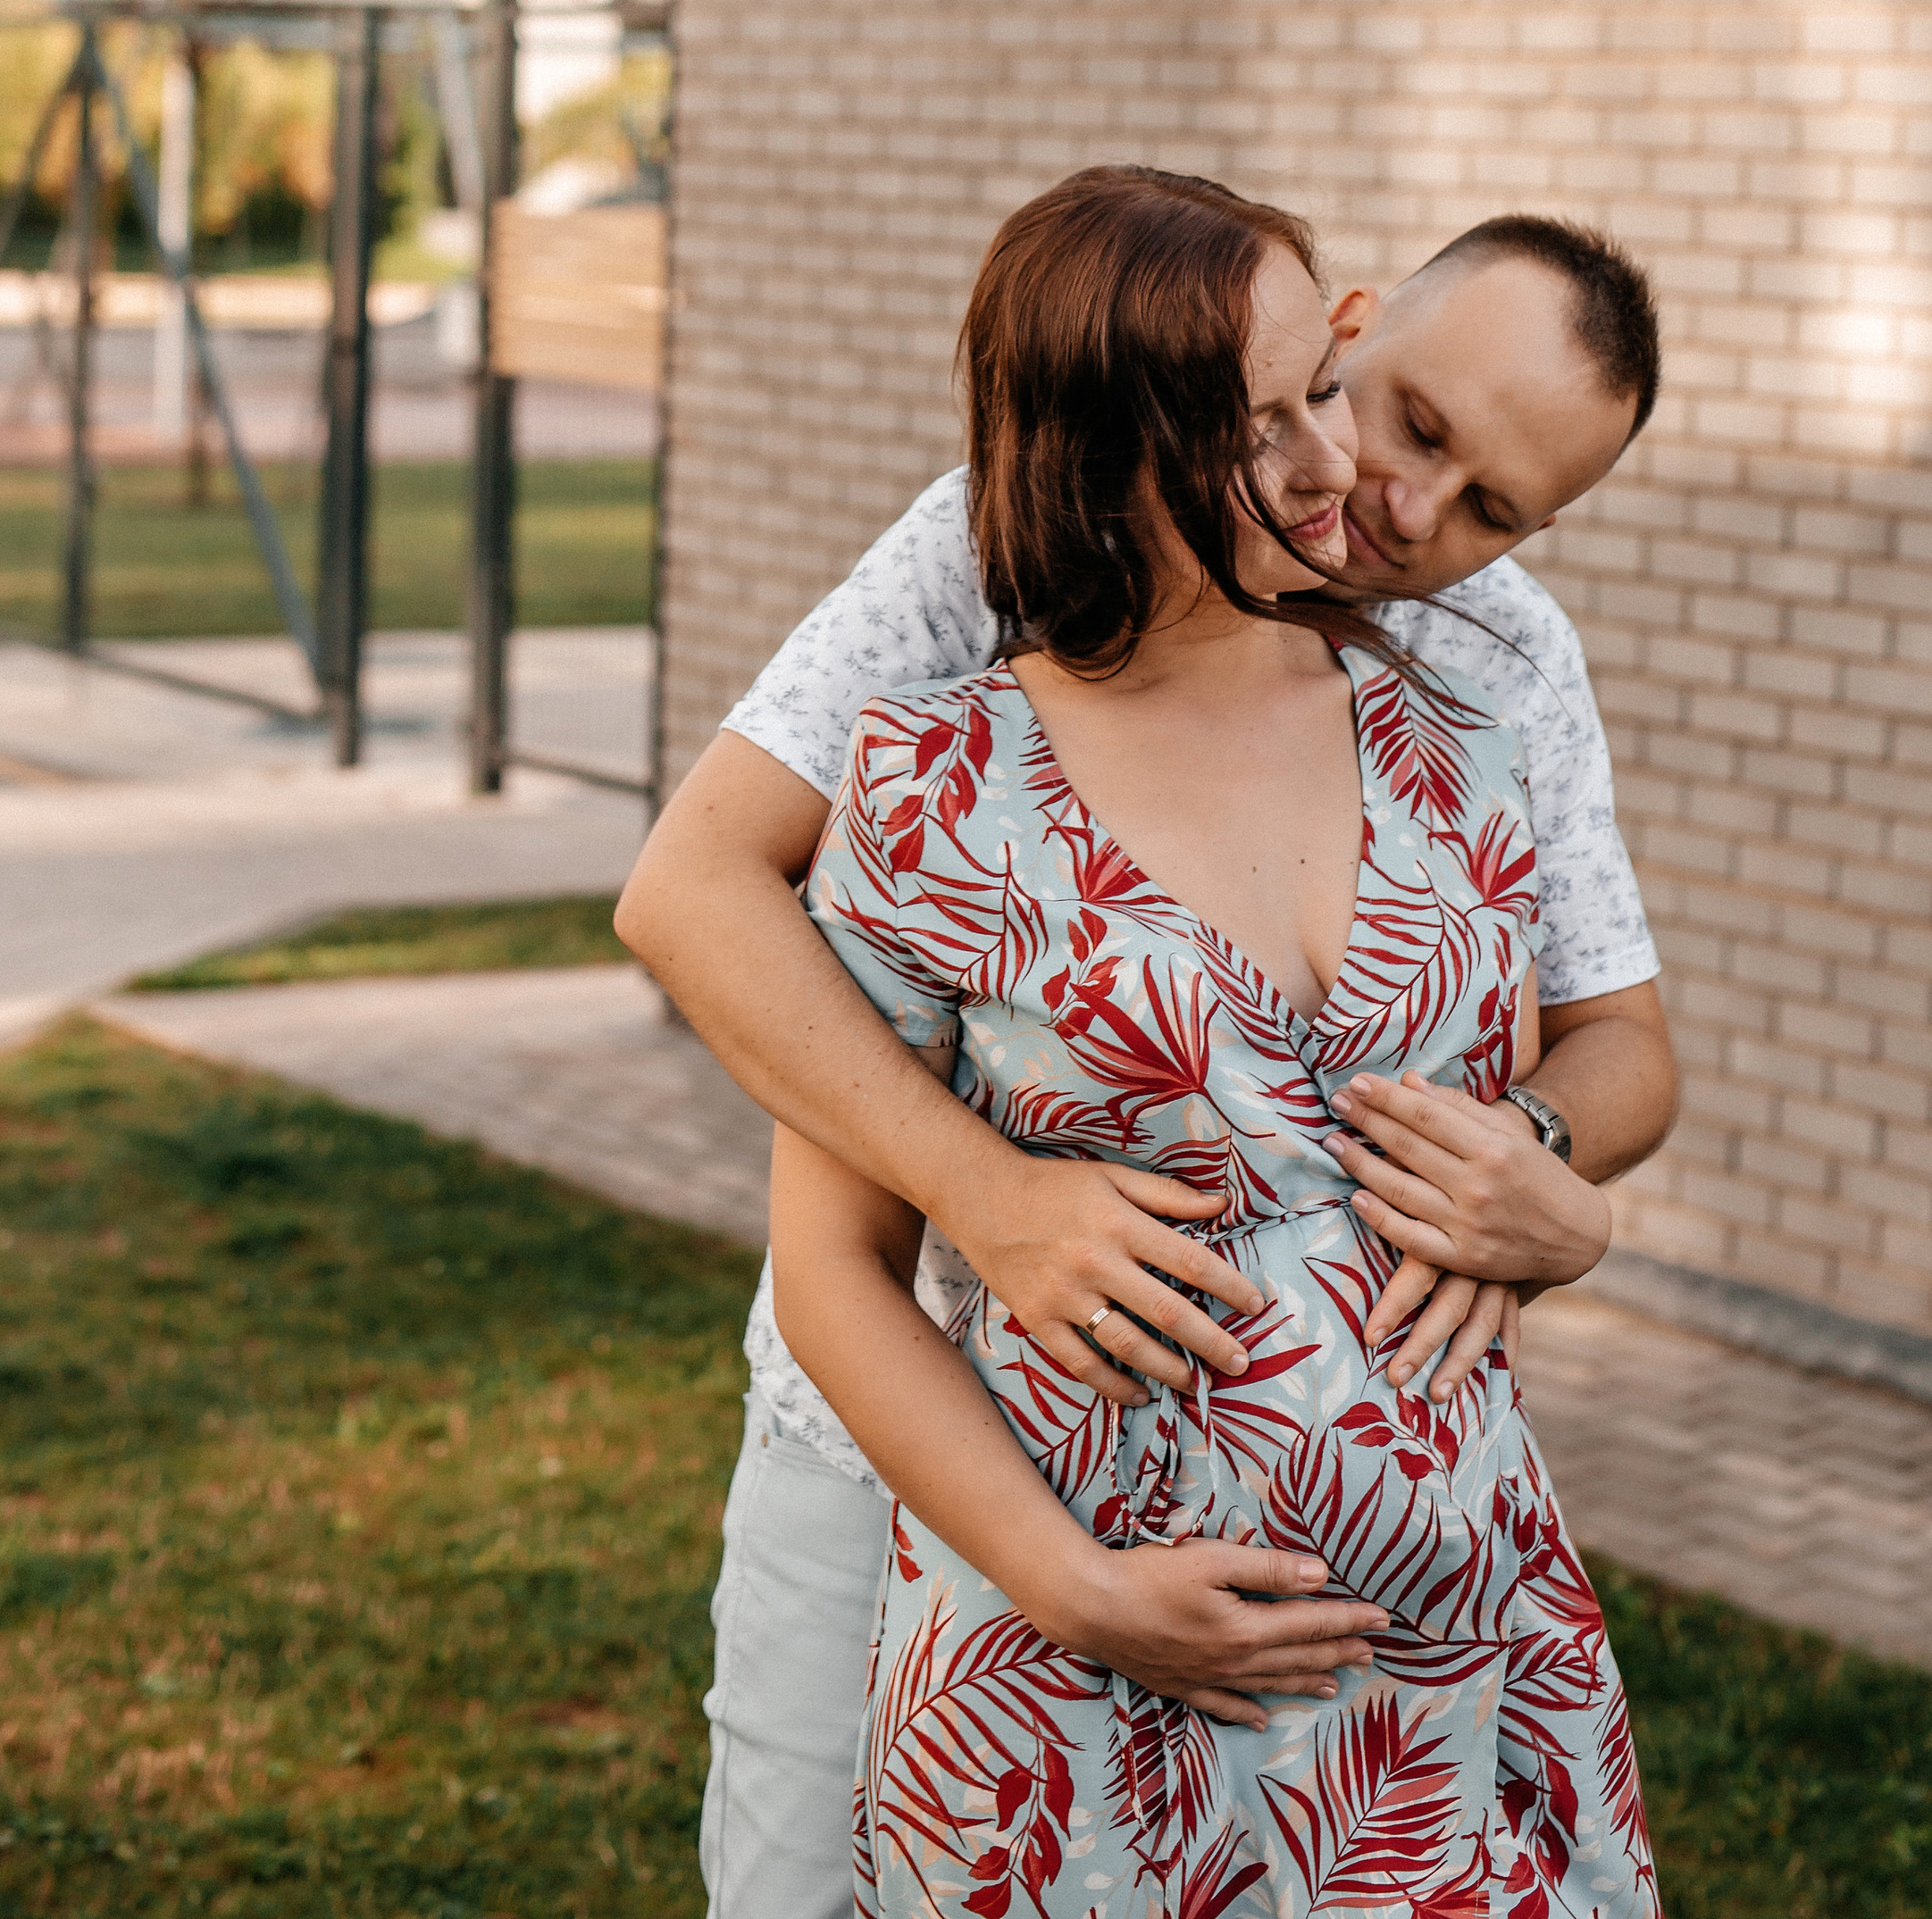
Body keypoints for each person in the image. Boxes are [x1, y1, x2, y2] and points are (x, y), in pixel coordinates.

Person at [615, 203, 1677, 1918]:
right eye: (1404, 422)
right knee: (804, 1873)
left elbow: (1620, 1039)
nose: (1401, 508)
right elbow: (691, 893)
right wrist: (988, 1194)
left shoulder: (1493, 677)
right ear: (1340, 341)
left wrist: (1546, 1175)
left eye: (1497, 507)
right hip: (945, 1444)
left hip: (1390, 1588)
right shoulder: (990, 572)